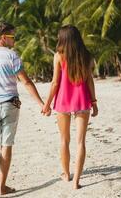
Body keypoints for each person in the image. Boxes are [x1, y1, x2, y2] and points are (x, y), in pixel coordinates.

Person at [0, 22, 44, 196]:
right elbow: (26, 81)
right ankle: (2, 186)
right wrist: (40, 103)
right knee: (6, 145)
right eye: (13, 37)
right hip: (10, 104)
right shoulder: (12, 56)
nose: (15, 40)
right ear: (3, 37)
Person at [42, 25, 98, 189]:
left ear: (62, 39)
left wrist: (46, 104)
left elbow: (55, 83)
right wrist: (94, 103)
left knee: (64, 140)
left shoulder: (59, 56)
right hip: (82, 100)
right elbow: (90, 80)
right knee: (81, 142)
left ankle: (66, 174)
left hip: (63, 101)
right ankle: (76, 182)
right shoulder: (87, 56)